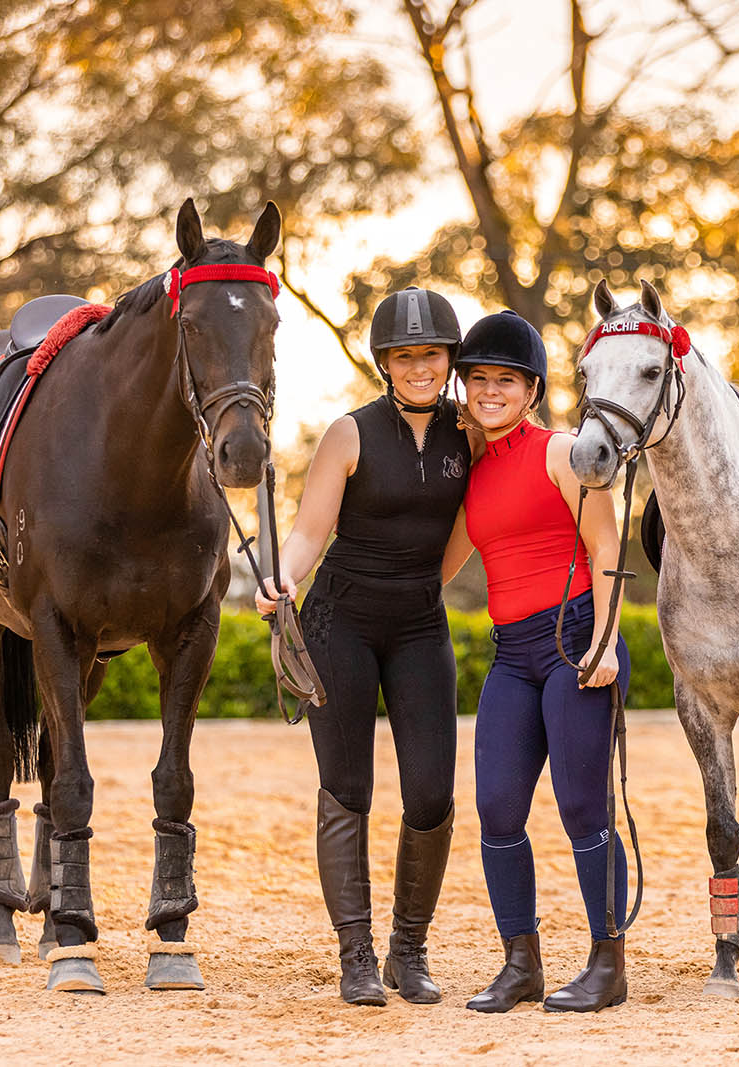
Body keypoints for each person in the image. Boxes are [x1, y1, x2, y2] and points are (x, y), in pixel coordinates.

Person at [255, 287, 471, 1006]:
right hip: (338, 622)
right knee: (349, 790)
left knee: (433, 793)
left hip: (419, 625)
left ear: (448, 360)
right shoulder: (349, 434)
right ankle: (355, 954)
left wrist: (419, 589)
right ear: (385, 362)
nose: (419, 367)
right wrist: (280, 577)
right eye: (405, 356)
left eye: (431, 354)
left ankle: (408, 951)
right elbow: (311, 532)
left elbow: (466, 534)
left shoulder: (465, 434)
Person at [441, 310, 632, 1014]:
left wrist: (607, 642)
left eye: (507, 380)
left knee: (584, 806)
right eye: (480, 378)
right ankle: (520, 961)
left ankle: (608, 963)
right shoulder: (472, 472)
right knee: (496, 807)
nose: (491, 391)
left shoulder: (563, 451)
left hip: (575, 638)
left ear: (532, 388)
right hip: (511, 655)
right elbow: (438, 565)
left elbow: (607, 549)